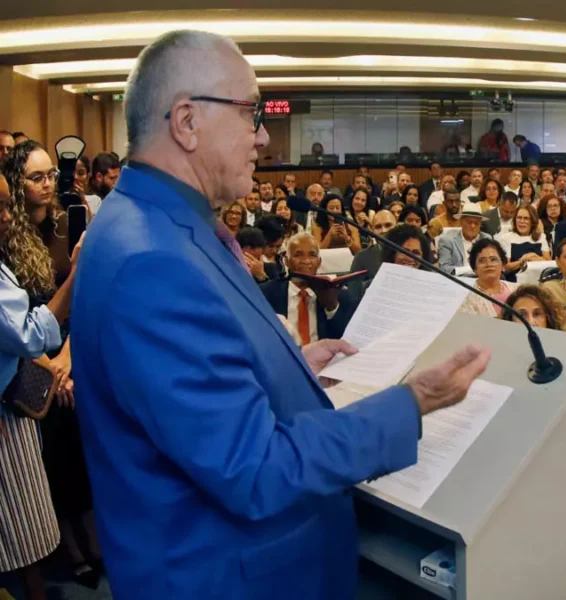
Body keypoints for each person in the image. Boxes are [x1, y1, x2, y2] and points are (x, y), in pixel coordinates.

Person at [70, 30, 492, 600]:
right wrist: (412, 404)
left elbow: (197, 378)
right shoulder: (151, 262)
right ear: (187, 122)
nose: (264, 136)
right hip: (230, 575)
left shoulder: (152, 222)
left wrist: (285, 365)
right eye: (251, 113)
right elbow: (255, 469)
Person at [1, 141, 103, 586]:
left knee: (88, 450)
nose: (47, 186)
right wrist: (48, 364)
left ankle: (96, 535)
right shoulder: (7, 237)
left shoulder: (67, 225)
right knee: (51, 457)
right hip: (30, 364)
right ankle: (67, 543)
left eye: (51, 176)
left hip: (73, 351)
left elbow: (90, 297)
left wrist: (66, 357)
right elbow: (15, 325)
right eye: (36, 178)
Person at [0, 173, 79, 600]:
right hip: (7, 408)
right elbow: (29, 334)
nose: (8, 217)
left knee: (24, 536)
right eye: (0, 207)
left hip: (17, 395)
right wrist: (75, 276)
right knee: (22, 535)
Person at [499, 285, 566, 534]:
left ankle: (551, 539)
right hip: (513, 439)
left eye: (537, 314)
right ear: (510, 318)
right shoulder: (500, 352)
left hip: (558, 433)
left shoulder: (564, 353)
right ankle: (553, 544)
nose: (531, 321)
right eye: (521, 314)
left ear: (548, 318)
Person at [260, 232, 357, 345]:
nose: (306, 261)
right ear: (286, 261)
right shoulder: (266, 293)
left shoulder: (340, 296)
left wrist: (331, 308)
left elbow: (344, 339)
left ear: (319, 262)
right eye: (298, 254)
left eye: (312, 255)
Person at [458, 238, 515, 317]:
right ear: (475, 269)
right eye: (482, 261)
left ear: (503, 265)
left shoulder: (516, 290)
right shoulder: (465, 298)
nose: (488, 264)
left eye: (493, 259)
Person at [497, 204, 550, 278]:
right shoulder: (506, 238)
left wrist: (535, 257)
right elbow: (505, 268)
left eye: (526, 218)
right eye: (519, 218)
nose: (522, 221)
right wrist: (522, 261)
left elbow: (549, 264)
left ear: (532, 221)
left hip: (537, 278)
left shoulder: (541, 237)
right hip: (514, 279)